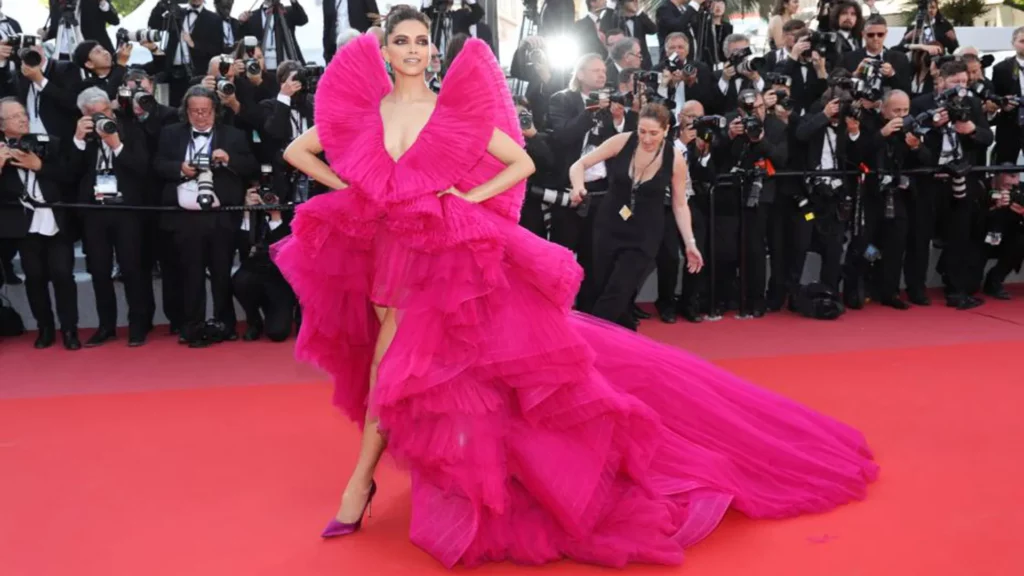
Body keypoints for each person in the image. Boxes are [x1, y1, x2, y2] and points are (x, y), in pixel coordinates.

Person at [274, 8, 878, 569]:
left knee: (395, 366)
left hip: (443, 255)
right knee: (411, 367)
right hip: (387, 249)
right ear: (383, 49)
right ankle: (434, 476)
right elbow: (300, 150)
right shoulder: (373, 111)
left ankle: (359, 484)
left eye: (422, 42)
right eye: (401, 42)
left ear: (433, 51)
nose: (412, 51)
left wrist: (463, 197)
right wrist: (360, 190)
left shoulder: (448, 111)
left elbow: (522, 163)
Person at [568, 102, 703, 330]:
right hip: (608, 226)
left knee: (617, 291)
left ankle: (589, 341)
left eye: (653, 133)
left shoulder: (675, 158)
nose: (647, 139)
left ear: (666, 130)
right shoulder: (623, 141)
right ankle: (627, 339)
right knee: (604, 288)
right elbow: (579, 165)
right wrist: (578, 187)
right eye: (642, 131)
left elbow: (680, 204)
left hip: (644, 234)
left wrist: (690, 243)